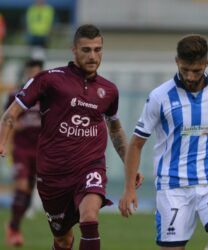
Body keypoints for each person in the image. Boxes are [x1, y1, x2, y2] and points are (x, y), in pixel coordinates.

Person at [0, 24, 142, 250]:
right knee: (63, 239)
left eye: (98, 49)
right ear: (73, 50)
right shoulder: (49, 80)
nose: (93, 56)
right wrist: (2, 140)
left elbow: (115, 130)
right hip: (53, 174)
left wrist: (130, 166)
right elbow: (13, 111)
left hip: (90, 166)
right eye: (86, 50)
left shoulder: (109, 90)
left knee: (89, 217)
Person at [119, 34, 208, 250]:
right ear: (176, 62)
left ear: (207, 63)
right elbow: (136, 144)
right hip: (173, 187)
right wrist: (128, 189)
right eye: (185, 70)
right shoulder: (159, 97)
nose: (190, 76)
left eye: (197, 70)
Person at [4, 59, 43, 247]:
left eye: (37, 73)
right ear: (26, 74)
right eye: (31, 73)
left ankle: (14, 225)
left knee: (28, 191)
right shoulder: (16, 95)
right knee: (21, 186)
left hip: (40, 150)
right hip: (21, 149)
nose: (33, 77)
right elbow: (8, 118)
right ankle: (13, 228)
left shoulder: (46, 96)